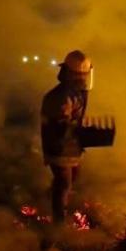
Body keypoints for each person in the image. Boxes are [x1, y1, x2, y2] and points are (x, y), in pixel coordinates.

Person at [41, 50, 93, 223]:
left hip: (71, 145)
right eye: (81, 75)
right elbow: (58, 126)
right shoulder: (60, 96)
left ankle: (52, 196)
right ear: (71, 74)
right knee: (64, 183)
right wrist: (76, 130)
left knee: (73, 176)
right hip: (58, 146)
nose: (84, 79)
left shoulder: (76, 92)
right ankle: (58, 223)